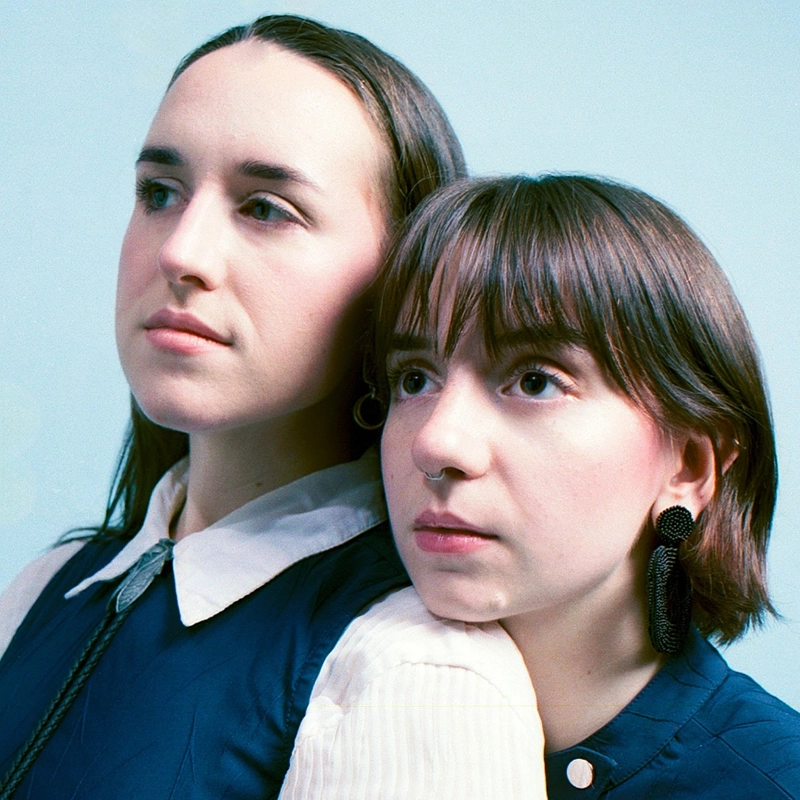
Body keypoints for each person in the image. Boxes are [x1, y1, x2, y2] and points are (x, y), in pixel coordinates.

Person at [0, 17, 547, 800]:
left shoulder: (411, 671)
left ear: (398, 280)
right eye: (159, 193)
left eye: (265, 208)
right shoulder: (44, 590)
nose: (181, 252)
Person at [374, 173, 800, 798]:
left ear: (688, 468)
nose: (435, 443)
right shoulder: (321, 714)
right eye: (414, 379)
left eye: (536, 381)